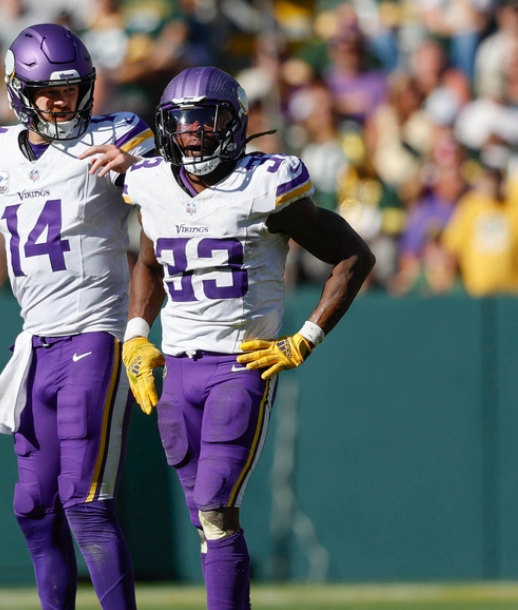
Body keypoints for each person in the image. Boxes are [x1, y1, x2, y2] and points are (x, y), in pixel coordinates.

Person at [120, 67, 374, 610]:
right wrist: (136, 335)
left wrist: (305, 338)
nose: (191, 133)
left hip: (241, 364)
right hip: (177, 370)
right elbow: (147, 263)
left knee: (215, 505)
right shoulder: (152, 183)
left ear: (233, 124)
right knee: (205, 519)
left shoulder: (267, 184)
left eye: (203, 121)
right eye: (180, 123)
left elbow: (353, 255)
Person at [0, 24, 155, 610]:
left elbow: (174, 184)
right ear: (17, 90)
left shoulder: (118, 136)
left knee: (86, 502)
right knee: (33, 507)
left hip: (95, 334)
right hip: (35, 345)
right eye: (47, 91)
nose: (60, 101)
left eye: (72, 89)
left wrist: (135, 168)